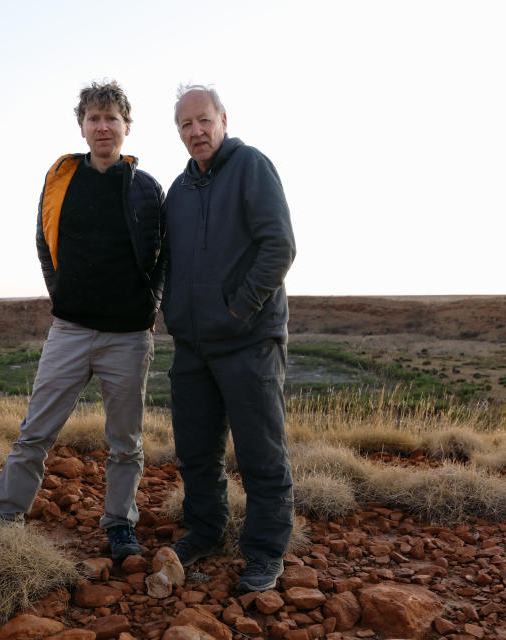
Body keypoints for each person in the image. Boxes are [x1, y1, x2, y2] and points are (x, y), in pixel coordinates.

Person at [0, 81, 166, 561]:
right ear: (82, 126)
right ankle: (3, 519)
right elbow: (45, 245)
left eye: (111, 118)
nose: (102, 126)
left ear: (127, 126)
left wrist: (150, 307)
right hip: (69, 330)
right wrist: (62, 294)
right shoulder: (60, 179)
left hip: (128, 337)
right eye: (94, 118)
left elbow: (163, 256)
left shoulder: (146, 188)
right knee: (34, 433)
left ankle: (120, 525)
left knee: (125, 442)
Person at [162, 84, 296, 591]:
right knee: (196, 451)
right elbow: (170, 262)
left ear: (223, 119)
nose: (195, 132)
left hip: (249, 341)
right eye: (185, 125)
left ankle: (264, 552)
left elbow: (278, 246)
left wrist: (238, 310)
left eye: (203, 120)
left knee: (260, 453)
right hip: (193, 346)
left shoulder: (251, 166)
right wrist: (174, 313)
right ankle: (206, 531)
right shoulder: (179, 190)